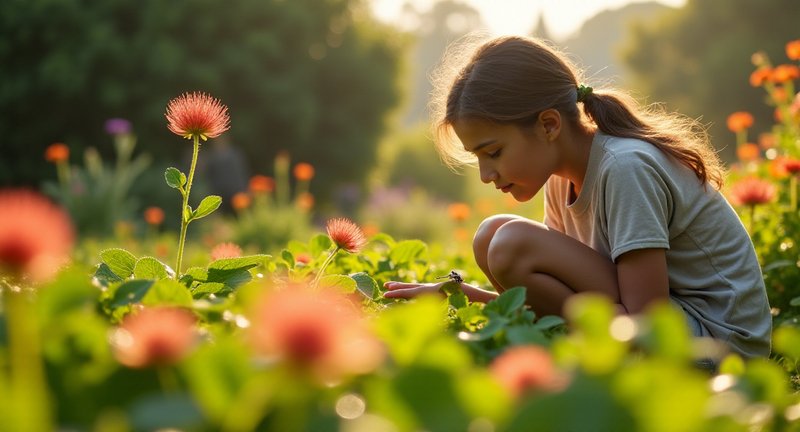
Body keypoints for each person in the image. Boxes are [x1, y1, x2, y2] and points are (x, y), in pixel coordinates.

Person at [383, 35, 771, 360]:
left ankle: (582, 353)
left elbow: (649, 320)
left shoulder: (625, 168)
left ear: (549, 124)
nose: (486, 175)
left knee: (509, 244)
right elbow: (560, 295)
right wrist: (462, 296)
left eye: (494, 152)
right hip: (659, 323)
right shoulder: (558, 178)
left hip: (717, 348)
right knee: (491, 235)